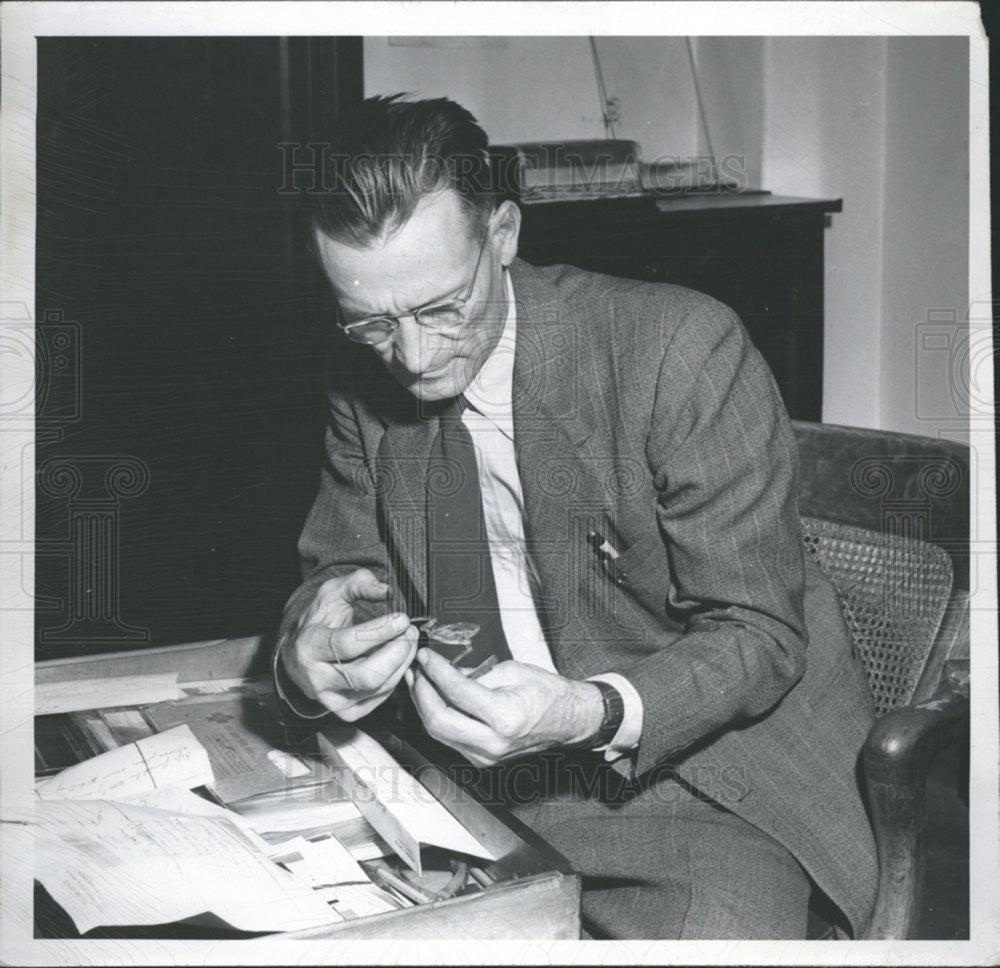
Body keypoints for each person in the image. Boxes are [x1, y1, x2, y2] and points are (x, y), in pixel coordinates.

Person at [273, 93, 878, 939]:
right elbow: (337, 568)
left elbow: (759, 636)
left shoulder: (678, 351)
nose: (411, 358)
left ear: (505, 234)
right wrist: (318, 639)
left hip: (706, 778)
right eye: (373, 322)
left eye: (442, 308)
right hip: (480, 777)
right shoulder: (361, 386)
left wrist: (588, 711)